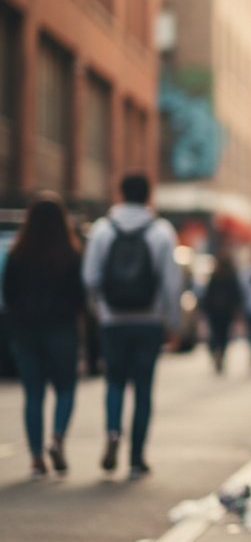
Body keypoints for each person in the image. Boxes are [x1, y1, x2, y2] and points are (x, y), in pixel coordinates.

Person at [82, 173, 181, 479]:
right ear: (148, 196)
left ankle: (113, 432)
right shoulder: (161, 232)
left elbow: (89, 278)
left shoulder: (102, 230)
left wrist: (101, 310)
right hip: (149, 321)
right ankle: (137, 458)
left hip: (113, 321)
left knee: (114, 382)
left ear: (120, 194)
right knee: (143, 388)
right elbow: (171, 282)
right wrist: (172, 322)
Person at [2, 193, 85, 478]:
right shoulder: (71, 255)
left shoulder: (17, 254)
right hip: (61, 328)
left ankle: (36, 459)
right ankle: (58, 437)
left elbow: (9, 295)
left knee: (33, 394)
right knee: (66, 388)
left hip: (25, 331)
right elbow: (79, 297)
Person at [201, 248, 242, 374]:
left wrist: (204, 309)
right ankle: (220, 354)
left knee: (215, 334)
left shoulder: (215, 276)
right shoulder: (231, 277)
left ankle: (216, 353)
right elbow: (237, 295)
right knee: (223, 336)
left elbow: (207, 294)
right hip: (226, 312)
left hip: (215, 311)